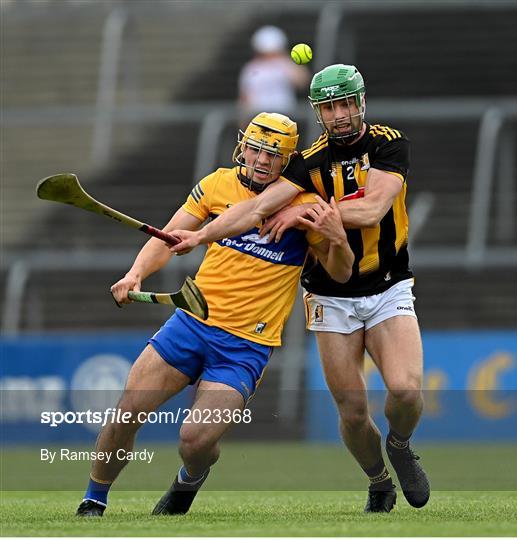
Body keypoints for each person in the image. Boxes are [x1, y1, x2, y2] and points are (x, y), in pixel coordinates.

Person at [169, 64, 430, 513]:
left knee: (406, 391)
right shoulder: (308, 164)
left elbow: (371, 210)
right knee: (351, 412)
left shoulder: (388, 144)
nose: (341, 114)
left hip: (388, 286)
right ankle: (379, 482)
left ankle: (401, 445)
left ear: (361, 103)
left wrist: (303, 214)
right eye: (330, 107)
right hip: (330, 295)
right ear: (318, 112)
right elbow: (256, 208)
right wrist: (199, 236)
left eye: (347, 103)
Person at [75, 112, 353, 517]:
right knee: (127, 411)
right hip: (190, 324)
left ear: (288, 161)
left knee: (194, 440)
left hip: (245, 346)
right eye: (255, 149)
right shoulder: (216, 183)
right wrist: (135, 273)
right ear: (242, 146)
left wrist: (338, 238)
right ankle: (93, 500)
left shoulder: (304, 205)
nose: (260, 160)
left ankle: (190, 478)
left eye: (272, 155)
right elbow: (168, 237)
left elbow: (341, 273)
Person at [238, 25, 310, 124]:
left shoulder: (285, 63)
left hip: (284, 117)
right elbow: (245, 98)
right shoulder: (250, 68)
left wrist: (285, 60)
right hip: (258, 118)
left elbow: (302, 81)